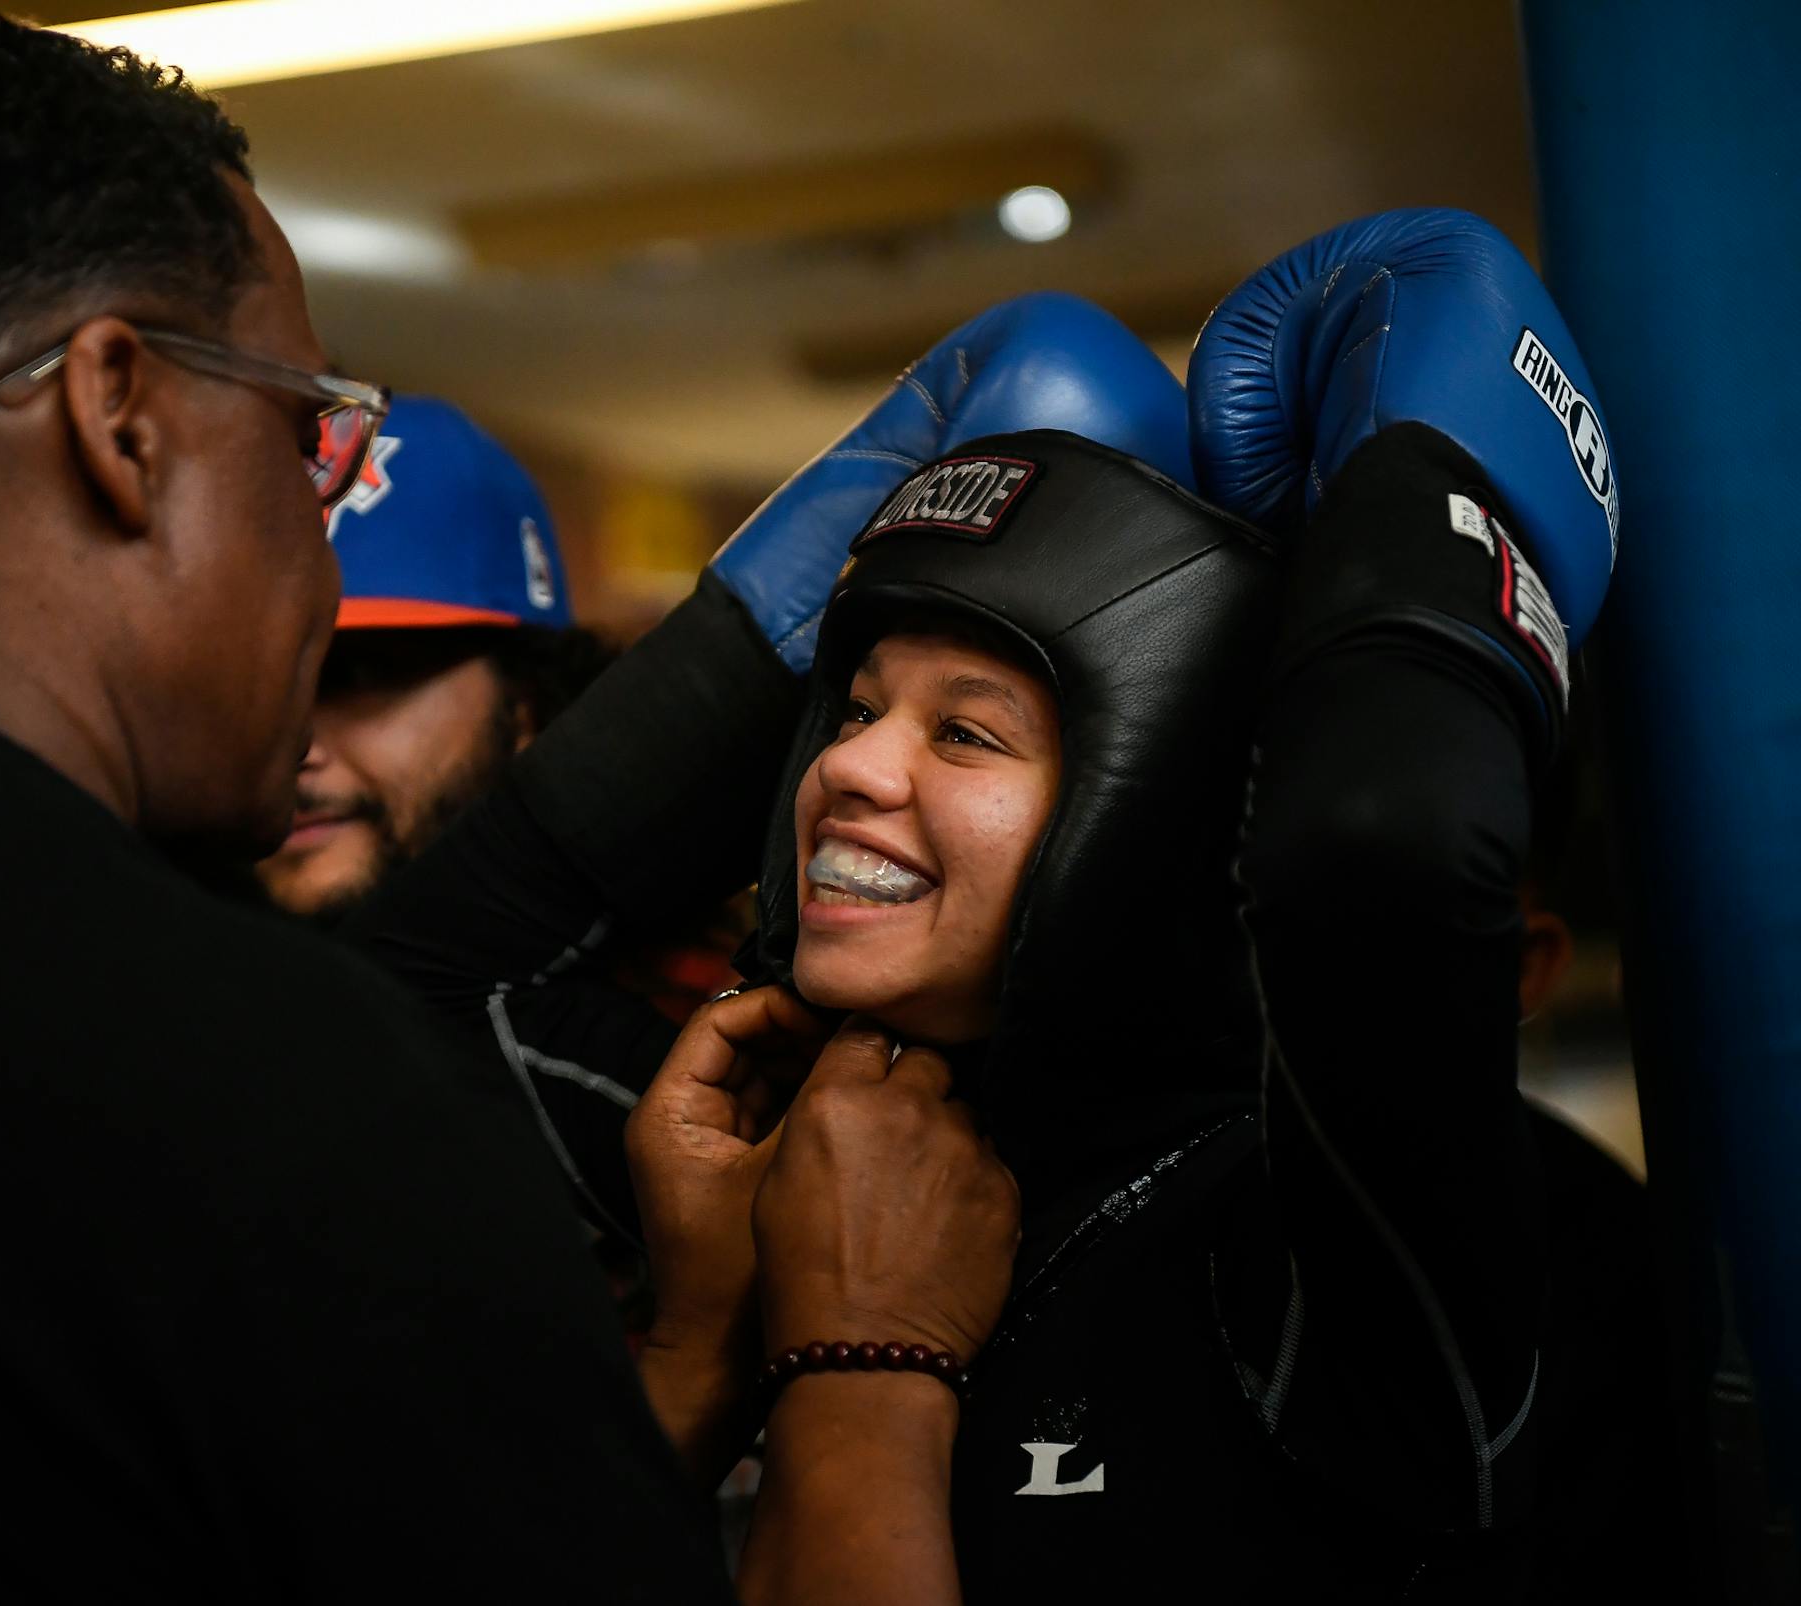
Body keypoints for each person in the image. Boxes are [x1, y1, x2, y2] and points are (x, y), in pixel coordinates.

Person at [0, 16, 1019, 1602]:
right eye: (307, 438)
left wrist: (694, 1360)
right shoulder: (273, 1095)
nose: (322, 566)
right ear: (120, 415)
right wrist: (861, 1367)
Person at [354, 211, 1654, 1596]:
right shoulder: (772, 1152)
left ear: (1147, 814)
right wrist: (708, 1334)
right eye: (850, 710)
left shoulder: (1301, 1234)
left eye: (965, 734)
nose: (848, 764)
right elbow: (406, 993)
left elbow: (1385, 847)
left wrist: (1428, 496)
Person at [253, 395, 613, 922]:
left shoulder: (694, 996)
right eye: (261, 688)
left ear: (525, 704)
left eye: (361, 676)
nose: (296, 743)